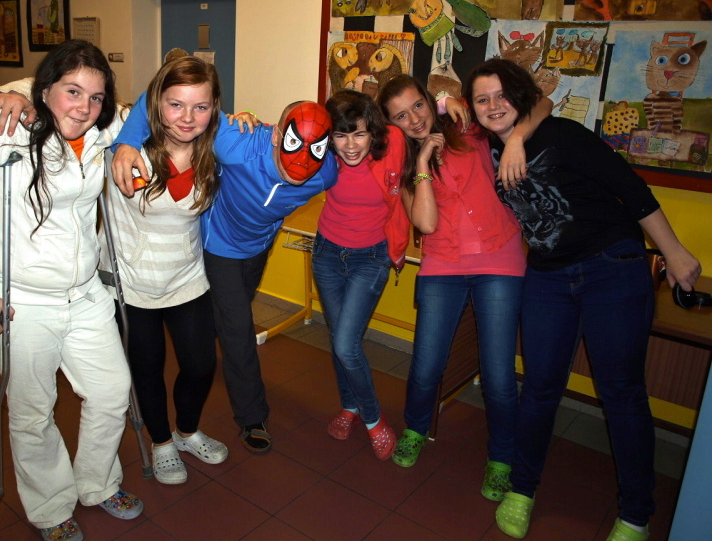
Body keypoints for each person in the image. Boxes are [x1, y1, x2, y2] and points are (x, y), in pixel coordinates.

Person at [462, 58, 702, 541]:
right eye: (482, 99)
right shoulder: (486, 147)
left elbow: (632, 190)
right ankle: (523, 488)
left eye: (502, 96)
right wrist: (507, 134)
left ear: (520, 95)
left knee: (621, 393)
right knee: (540, 388)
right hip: (548, 275)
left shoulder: (563, 135)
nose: (493, 106)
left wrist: (675, 253)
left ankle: (636, 515)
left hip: (610, 266)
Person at [0, 40, 143, 541]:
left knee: (112, 391)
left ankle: (97, 483)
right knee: (33, 412)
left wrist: (133, 140)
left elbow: (156, 110)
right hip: (18, 300)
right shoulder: (1, 126)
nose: (83, 107)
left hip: (84, 293)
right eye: (72, 91)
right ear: (44, 90)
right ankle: (50, 508)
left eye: (95, 96)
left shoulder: (102, 126)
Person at [111, 98, 338, 453]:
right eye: (293, 143)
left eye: (317, 151)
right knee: (238, 330)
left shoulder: (327, 172)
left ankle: (201, 344)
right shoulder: (237, 143)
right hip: (218, 245)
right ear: (277, 135)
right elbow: (156, 96)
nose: (303, 162)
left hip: (259, 247)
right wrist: (125, 143)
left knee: (224, 319)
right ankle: (252, 416)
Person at [376, 74, 549, 499]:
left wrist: (515, 139)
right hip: (443, 263)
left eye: (418, 106)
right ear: (391, 125)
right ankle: (416, 429)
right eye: (401, 116)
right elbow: (426, 223)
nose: (414, 119)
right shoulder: (402, 166)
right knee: (426, 365)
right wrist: (422, 165)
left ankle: (502, 457)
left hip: (500, 258)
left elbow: (542, 104)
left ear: (428, 99)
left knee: (497, 374)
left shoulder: (468, 126)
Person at [97, 56, 228, 484]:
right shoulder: (120, 133)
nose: (188, 117)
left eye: (200, 106)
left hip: (186, 278)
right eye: (175, 104)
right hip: (131, 284)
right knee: (147, 368)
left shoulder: (216, 150)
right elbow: (66, 97)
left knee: (201, 365)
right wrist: (7, 96)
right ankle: (160, 442)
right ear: (155, 103)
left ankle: (186, 431)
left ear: (214, 108)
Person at [313, 90, 409, 460]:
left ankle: (372, 418)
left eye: (359, 134)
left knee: (344, 344)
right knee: (341, 339)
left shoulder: (393, 142)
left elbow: (426, 119)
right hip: (327, 253)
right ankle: (349, 406)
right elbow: (279, 140)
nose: (350, 145)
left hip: (371, 257)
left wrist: (451, 103)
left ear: (373, 132)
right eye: (341, 135)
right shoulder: (322, 156)